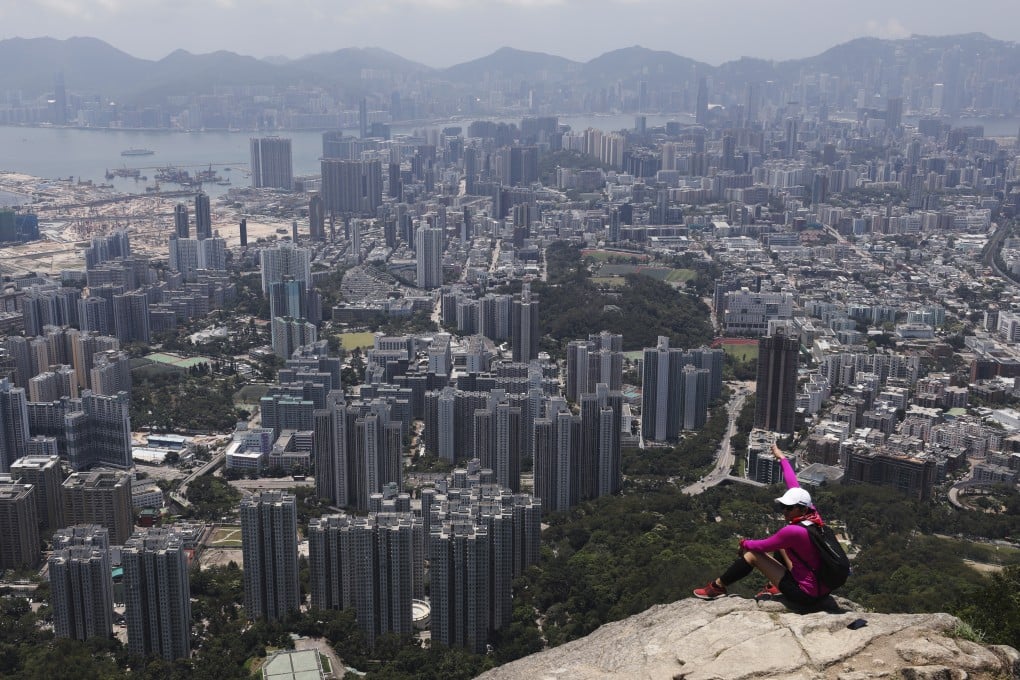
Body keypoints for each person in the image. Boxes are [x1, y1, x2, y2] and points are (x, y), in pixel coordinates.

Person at [693, 442, 831, 605]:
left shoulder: (794, 531)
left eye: (788, 508)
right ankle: (775, 585)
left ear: (801, 509)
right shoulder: (812, 514)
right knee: (783, 547)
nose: (784, 511)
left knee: (752, 555)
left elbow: (761, 547)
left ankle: (717, 587)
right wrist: (781, 458)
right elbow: (793, 483)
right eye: (783, 506)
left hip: (805, 596)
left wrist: (744, 543)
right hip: (820, 588)